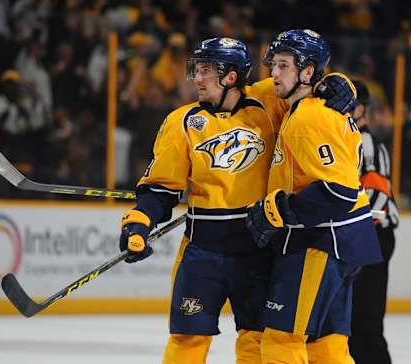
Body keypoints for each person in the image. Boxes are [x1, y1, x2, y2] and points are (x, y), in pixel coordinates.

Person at [118, 36, 357, 364]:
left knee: (256, 340)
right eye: (197, 70)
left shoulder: (267, 103)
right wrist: (139, 222)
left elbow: (306, 84)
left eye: (205, 71)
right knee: (187, 338)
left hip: (258, 251)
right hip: (203, 251)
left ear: (231, 76)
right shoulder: (182, 122)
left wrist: (338, 83)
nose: (196, 78)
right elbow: (161, 189)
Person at [246, 29, 382, 364]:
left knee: (281, 342)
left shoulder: (309, 117)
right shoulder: (306, 107)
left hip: (322, 243)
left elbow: (338, 192)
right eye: (273, 65)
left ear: (307, 72)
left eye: (283, 65)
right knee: (327, 348)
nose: (273, 73)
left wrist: (278, 210)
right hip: (343, 242)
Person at [348, 80, 399, 364]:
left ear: (362, 109)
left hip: (373, 234)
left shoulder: (365, 143)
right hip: (363, 234)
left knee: (365, 321)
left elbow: (376, 198)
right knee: (354, 321)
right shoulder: (350, 140)